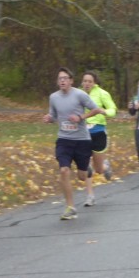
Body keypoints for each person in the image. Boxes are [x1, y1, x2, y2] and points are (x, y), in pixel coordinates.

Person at [43, 68, 105, 220]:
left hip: (82, 140)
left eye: (65, 78)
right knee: (64, 170)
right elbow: (54, 115)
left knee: (82, 177)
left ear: (71, 80)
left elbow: (96, 110)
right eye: (60, 79)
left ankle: (87, 168)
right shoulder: (54, 97)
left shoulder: (79, 94)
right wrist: (49, 118)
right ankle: (70, 207)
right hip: (64, 140)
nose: (62, 81)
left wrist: (81, 117)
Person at [80, 71, 117, 207]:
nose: (87, 84)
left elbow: (113, 109)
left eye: (90, 81)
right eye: (85, 81)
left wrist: (105, 111)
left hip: (98, 132)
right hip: (83, 133)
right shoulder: (78, 94)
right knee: (86, 166)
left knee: (99, 169)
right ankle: (90, 196)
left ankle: (105, 166)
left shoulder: (102, 93)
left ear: (94, 82)